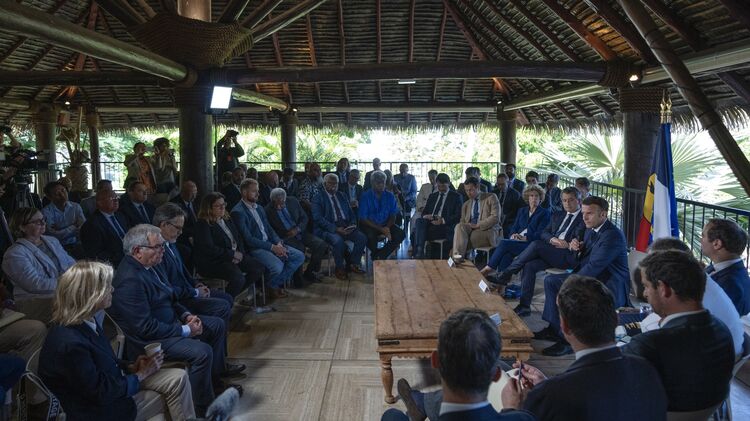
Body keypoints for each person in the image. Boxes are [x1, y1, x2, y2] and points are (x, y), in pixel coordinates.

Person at [108, 225, 243, 414]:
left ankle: (214, 382)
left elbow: (169, 297)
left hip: (169, 324)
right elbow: (144, 328)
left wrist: (186, 315)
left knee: (216, 325)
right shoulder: (129, 280)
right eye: (158, 246)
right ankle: (202, 408)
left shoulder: (150, 266)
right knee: (202, 352)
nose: (163, 250)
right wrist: (186, 330)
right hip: (151, 341)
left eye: (163, 246)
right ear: (138, 251)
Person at [39, 261, 195, 420]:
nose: (112, 289)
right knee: (172, 395)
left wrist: (130, 366)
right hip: (101, 412)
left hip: (113, 388)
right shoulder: (69, 344)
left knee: (178, 377)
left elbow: (103, 362)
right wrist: (141, 375)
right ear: (91, 294)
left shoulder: (85, 321)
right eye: (107, 286)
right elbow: (100, 392)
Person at [501, 275, 668, 421]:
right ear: (616, 320)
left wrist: (513, 411)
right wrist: (547, 384)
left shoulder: (552, 396)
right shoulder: (647, 371)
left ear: (564, 328)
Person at [624, 250, 734, 412]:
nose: (645, 293)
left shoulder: (649, 345)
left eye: (646, 286)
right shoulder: (723, 332)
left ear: (664, 289)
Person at [381, 308, 535, 421]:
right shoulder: (525, 418)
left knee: (391, 415)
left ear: (435, 361)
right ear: (496, 375)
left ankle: (421, 403)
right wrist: (512, 409)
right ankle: (421, 403)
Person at [536, 196, 629, 356]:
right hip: (594, 277)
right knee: (551, 281)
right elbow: (581, 259)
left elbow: (594, 267)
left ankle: (566, 341)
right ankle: (554, 328)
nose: (584, 217)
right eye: (583, 213)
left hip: (608, 284)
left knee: (564, 287)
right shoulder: (590, 229)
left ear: (603, 214)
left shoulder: (612, 235)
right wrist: (576, 247)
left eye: (589, 213)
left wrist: (567, 286)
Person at [643, 237, 745, 358]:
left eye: (653, 265)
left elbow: (657, 333)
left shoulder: (687, 292)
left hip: (712, 360)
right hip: (722, 353)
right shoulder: (696, 280)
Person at [494, 187, 584, 316]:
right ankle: (524, 306)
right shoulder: (558, 214)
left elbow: (580, 237)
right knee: (529, 265)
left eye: (571, 200)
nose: (567, 203)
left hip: (567, 255)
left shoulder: (583, 218)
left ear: (579, 201)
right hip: (551, 251)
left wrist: (569, 244)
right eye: (564, 200)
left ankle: (507, 273)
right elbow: (544, 233)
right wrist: (553, 239)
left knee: (536, 244)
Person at [154, 203, 233, 327]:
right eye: (178, 228)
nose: (181, 232)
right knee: (222, 306)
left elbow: (183, 271)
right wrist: (195, 292)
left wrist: (196, 284)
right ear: (163, 225)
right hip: (178, 301)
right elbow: (166, 288)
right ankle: (209, 332)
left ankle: (215, 332)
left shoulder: (170, 242)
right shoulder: (155, 251)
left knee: (227, 298)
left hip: (188, 291)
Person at [231, 179, 305, 298]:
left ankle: (271, 285)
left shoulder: (259, 208)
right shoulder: (238, 212)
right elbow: (249, 239)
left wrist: (278, 243)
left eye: (258, 191)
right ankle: (269, 286)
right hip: (255, 248)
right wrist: (272, 247)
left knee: (299, 256)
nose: (258, 194)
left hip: (270, 243)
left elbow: (269, 229)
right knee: (278, 267)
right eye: (254, 191)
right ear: (244, 192)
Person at [2, 207, 75, 322]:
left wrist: (80, 276)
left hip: (63, 290)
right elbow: (35, 284)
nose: (43, 223)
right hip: (35, 300)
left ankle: (94, 332)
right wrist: (68, 283)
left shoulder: (52, 240)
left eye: (43, 219)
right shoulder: (14, 254)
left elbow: (71, 263)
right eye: (37, 222)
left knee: (95, 292)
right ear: (22, 227)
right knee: (81, 301)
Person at [193, 193, 263, 298]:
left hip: (232, 256)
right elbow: (209, 249)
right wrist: (232, 255)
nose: (222, 208)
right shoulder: (203, 224)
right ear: (208, 208)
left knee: (258, 268)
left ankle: (228, 296)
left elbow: (238, 238)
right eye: (218, 206)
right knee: (238, 279)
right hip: (214, 261)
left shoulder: (227, 218)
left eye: (224, 204)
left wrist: (240, 254)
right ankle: (225, 301)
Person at [480, 185, 550, 276]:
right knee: (507, 255)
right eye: (531, 196)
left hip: (531, 245)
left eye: (536, 196)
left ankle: (488, 268)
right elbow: (514, 227)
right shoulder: (522, 211)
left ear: (540, 198)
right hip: (517, 241)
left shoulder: (545, 213)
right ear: (527, 198)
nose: (534, 198)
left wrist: (525, 238)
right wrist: (513, 235)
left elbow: (541, 233)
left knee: (503, 243)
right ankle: (502, 280)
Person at [265, 188, 329, 286]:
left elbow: (304, 217)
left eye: (281, 203)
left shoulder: (293, 201)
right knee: (300, 249)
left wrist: (297, 229)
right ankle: (298, 279)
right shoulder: (267, 210)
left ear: (285, 199)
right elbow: (270, 231)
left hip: (300, 232)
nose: (278, 207)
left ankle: (310, 272)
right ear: (272, 200)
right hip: (285, 237)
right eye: (275, 204)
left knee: (321, 245)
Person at [313, 173, 367, 280]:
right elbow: (318, 218)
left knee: (362, 238)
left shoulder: (342, 195)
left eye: (336, 183)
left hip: (345, 226)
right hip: (328, 229)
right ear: (324, 184)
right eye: (331, 183)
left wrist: (352, 224)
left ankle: (353, 263)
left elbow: (351, 212)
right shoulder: (318, 197)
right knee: (338, 241)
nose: (334, 186)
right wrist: (336, 229)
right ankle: (339, 268)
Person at [700, 218, 750, 315]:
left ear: (717, 244)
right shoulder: (727, 269)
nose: (700, 240)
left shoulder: (730, 285)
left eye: (703, 236)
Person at [412, 172, 462, 259]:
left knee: (415, 233)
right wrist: (426, 216)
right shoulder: (433, 196)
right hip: (430, 221)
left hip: (444, 225)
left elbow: (458, 215)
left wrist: (442, 220)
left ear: (449, 184)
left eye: (443, 186)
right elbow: (424, 212)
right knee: (419, 221)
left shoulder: (456, 197)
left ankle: (419, 253)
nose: (441, 188)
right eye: (439, 186)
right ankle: (420, 252)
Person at [358, 170, 405, 260]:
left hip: (386, 224)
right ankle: (376, 254)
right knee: (370, 236)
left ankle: (379, 256)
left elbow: (393, 215)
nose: (381, 185)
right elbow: (363, 218)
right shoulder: (365, 196)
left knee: (401, 234)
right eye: (378, 183)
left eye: (383, 182)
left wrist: (386, 228)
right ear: (372, 183)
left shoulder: (390, 196)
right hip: (370, 225)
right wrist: (381, 229)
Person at [452, 177, 500, 258]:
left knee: (462, 240)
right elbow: (462, 222)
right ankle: (457, 257)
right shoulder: (466, 204)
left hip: (487, 230)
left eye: (471, 190)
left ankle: (456, 256)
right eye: (466, 190)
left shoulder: (491, 197)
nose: (468, 193)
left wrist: (478, 225)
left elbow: (495, 217)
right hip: (470, 230)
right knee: (459, 226)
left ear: (477, 187)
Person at [80, 189, 130, 266]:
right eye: (112, 198)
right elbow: (96, 254)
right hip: (115, 264)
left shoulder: (120, 216)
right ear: (100, 203)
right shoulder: (91, 225)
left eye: (117, 198)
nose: (116, 200)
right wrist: (123, 257)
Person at [41, 180, 85, 256]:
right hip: (55, 247)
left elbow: (83, 228)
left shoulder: (76, 207)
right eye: (57, 193)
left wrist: (60, 229)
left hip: (76, 244)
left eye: (63, 190)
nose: (62, 195)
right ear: (49, 197)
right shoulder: (46, 212)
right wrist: (74, 226)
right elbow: (54, 235)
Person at [493, 173, 524, 239]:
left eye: (502, 184)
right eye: (498, 184)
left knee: (508, 231)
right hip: (495, 219)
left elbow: (517, 211)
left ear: (508, 183)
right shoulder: (494, 193)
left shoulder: (515, 194)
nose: (500, 187)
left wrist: (506, 218)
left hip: (509, 220)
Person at [169, 180, 198, 245]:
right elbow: (177, 226)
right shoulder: (174, 204)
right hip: (183, 237)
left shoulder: (194, 201)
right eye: (191, 194)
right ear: (183, 193)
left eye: (195, 193)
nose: (194, 196)